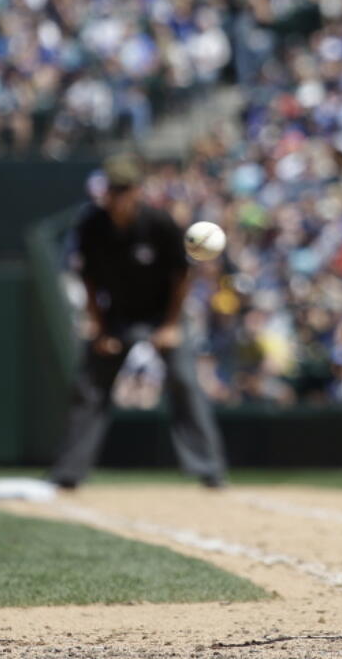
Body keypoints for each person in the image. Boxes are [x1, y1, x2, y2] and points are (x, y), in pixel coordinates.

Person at [48, 154, 227, 489]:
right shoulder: (92, 225)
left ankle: (210, 469)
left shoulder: (159, 223)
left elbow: (181, 276)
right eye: (113, 189)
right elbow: (88, 280)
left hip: (163, 313)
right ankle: (68, 473)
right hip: (118, 315)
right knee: (89, 386)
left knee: (184, 380)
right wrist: (99, 328)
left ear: (136, 191)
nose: (117, 196)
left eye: (124, 189)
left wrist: (171, 325)